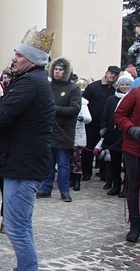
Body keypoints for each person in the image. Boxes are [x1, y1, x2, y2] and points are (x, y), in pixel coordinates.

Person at [0, 27, 55, 270]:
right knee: (22, 226)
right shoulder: (35, 81)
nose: (14, 58)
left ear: (32, 60)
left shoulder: (28, 83)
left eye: (19, 55)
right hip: (25, 163)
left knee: (17, 228)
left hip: (22, 166)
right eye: (15, 54)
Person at [37, 57, 81, 202]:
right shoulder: (48, 86)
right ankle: (46, 188)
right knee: (48, 162)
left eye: (60, 70)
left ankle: (64, 191)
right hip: (48, 130)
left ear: (66, 71)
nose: (57, 72)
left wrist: (53, 109)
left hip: (64, 131)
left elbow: (75, 108)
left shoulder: (73, 88)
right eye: (55, 69)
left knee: (63, 164)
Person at [114, 73, 140, 243]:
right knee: (135, 187)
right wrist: (132, 129)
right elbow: (119, 116)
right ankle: (135, 224)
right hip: (135, 149)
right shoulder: (136, 93)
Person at [81, 65, 120, 181]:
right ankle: (86, 172)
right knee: (88, 149)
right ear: (106, 73)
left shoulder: (116, 90)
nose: (112, 76)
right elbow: (84, 103)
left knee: (105, 150)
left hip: (107, 125)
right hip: (92, 124)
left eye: (115, 74)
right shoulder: (93, 87)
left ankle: (103, 174)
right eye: (111, 73)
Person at [100, 72, 134, 196]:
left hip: (127, 135)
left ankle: (127, 187)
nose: (124, 87)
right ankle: (116, 185)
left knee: (127, 164)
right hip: (113, 135)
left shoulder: (132, 98)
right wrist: (104, 129)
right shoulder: (111, 99)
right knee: (114, 163)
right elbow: (106, 116)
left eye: (127, 84)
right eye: (122, 84)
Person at [70, 91, 92, 192]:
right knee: (67, 159)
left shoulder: (82, 103)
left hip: (78, 136)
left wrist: (81, 118)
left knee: (76, 160)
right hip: (65, 135)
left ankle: (77, 180)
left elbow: (88, 118)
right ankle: (70, 178)